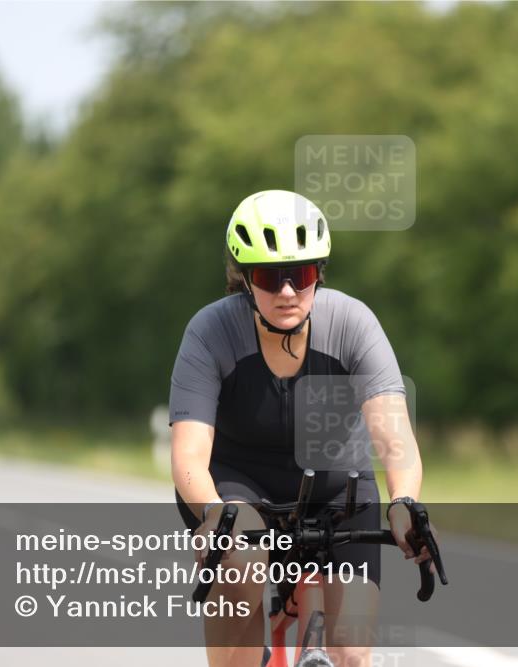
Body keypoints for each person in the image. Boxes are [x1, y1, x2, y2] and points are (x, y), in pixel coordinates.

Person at [170, 190, 430, 667]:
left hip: (338, 488)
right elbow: (189, 453)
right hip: (238, 483)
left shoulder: (353, 323)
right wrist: (213, 513)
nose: (288, 292)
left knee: (350, 653)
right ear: (246, 280)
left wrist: (404, 503)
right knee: (243, 565)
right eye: (271, 278)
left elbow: (394, 440)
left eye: (302, 275)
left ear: (319, 275)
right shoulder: (210, 331)